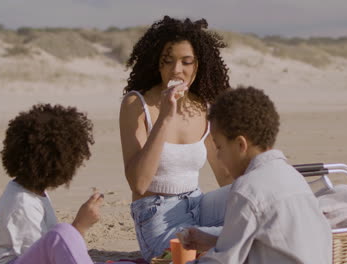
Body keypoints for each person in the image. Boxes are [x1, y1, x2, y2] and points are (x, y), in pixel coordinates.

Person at [119, 16, 233, 261]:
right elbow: (138, 183)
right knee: (212, 251)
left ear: (199, 65)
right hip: (156, 214)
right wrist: (164, 117)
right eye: (167, 62)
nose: (176, 70)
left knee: (255, 215)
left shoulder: (203, 106)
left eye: (186, 62)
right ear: (157, 65)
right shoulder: (136, 105)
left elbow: (225, 175)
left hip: (198, 202)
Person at [182, 87, 333, 264]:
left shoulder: (248, 188)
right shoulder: (293, 177)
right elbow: (273, 244)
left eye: (219, 147)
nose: (218, 156)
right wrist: (212, 241)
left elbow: (223, 261)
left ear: (240, 145)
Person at [0, 104, 103, 264]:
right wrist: (80, 226)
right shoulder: (23, 204)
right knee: (63, 233)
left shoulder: (32, 193)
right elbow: (45, 256)